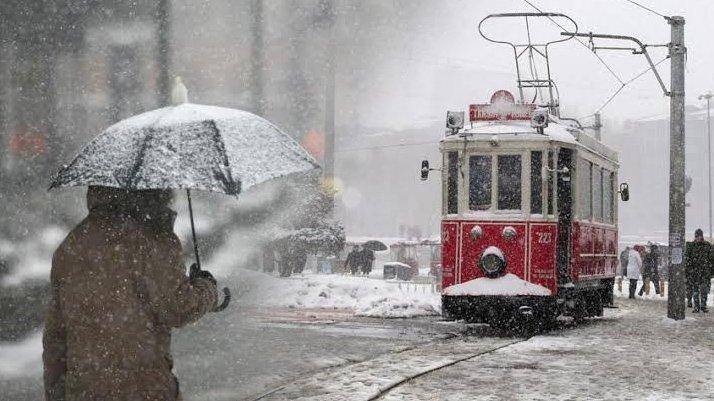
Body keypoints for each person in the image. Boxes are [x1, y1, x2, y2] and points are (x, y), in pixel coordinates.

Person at [43, 186, 218, 401]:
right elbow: (178, 308)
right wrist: (206, 287)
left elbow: (55, 336)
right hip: (143, 388)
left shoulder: (72, 244)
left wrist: (55, 393)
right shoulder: (155, 238)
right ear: (156, 189)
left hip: (84, 391)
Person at [685, 229, 712, 313]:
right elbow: (687, 259)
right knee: (695, 291)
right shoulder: (691, 246)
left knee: (704, 290)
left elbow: (711, 259)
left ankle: (703, 306)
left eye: (700, 236)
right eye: (697, 236)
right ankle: (696, 306)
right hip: (694, 272)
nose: (698, 238)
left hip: (705, 272)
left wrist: (711, 270)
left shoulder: (707, 245)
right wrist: (688, 270)